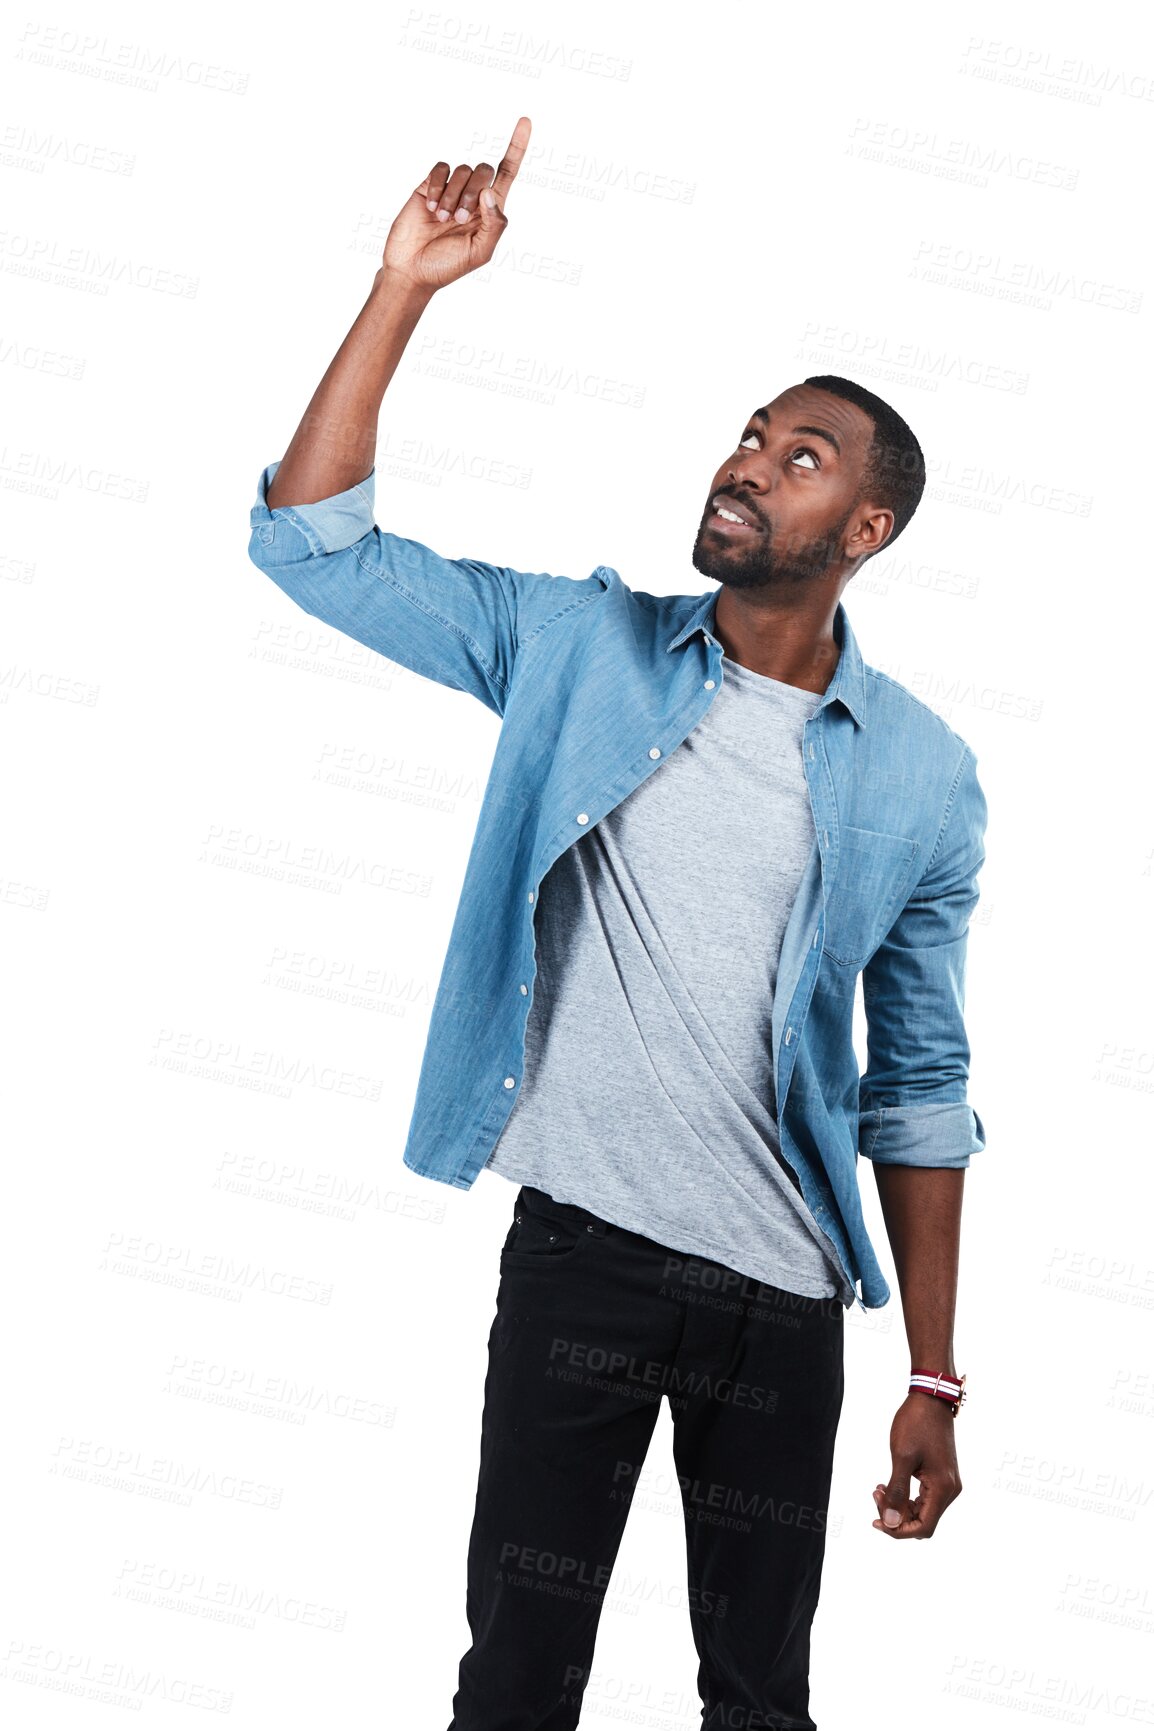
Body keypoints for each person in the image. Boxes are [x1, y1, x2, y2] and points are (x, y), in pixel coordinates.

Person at [247, 116, 988, 1731]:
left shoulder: (925, 777)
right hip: (578, 1262)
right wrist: (402, 293)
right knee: (514, 1687)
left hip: (781, 1302)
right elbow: (312, 548)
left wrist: (930, 1375)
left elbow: (916, 1089)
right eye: (746, 436)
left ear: (863, 533)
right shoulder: (576, 647)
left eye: (800, 458)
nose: (745, 463)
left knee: (758, 1704)